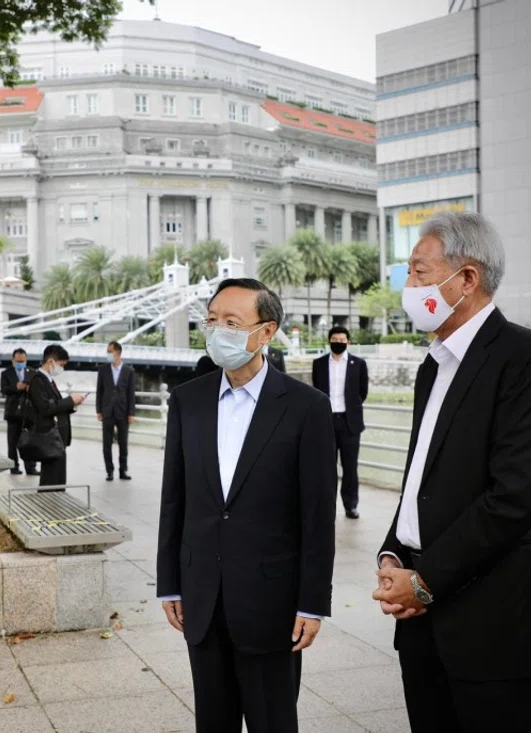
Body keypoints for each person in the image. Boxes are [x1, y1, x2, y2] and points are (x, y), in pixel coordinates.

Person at [372, 212, 531, 733]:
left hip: (492, 620)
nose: (409, 287)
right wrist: (394, 549)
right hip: (419, 618)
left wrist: (426, 579)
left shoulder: (526, 358)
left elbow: (516, 496)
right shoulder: (432, 365)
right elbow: (423, 474)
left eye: (419, 272)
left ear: (467, 278)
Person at [157, 278, 337, 733]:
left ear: (266, 331)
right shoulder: (187, 400)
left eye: (232, 323)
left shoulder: (306, 408)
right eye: (212, 321)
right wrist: (170, 584)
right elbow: (174, 498)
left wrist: (312, 603)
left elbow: (317, 516)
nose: (219, 331)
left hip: (271, 604)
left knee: (272, 721)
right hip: (202, 598)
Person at [311, 327, 369, 518]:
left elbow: (363, 392)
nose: (338, 341)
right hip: (325, 422)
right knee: (326, 468)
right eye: (335, 339)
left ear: (348, 342)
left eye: (342, 339)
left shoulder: (358, 364)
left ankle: (350, 505)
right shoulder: (318, 364)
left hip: (349, 423)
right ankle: (326, 506)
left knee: (350, 467)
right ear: (329, 341)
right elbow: (316, 391)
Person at [28, 344, 85, 488]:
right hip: (49, 439)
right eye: (61, 365)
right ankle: (47, 508)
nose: (62, 368)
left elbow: (57, 406)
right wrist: (69, 400)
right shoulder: (37, 380)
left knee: (59, 478)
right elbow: (45, 408)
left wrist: (72, 405)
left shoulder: (49, 380)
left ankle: (56, 506)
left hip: (58, 439)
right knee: (50, 479)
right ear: (50, 362)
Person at [96, 341, 137, 481]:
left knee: (123, 443)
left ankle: (123, 470)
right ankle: (109, 471)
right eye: (107, 351)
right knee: (106, 443)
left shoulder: (129, 371)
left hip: (123, 411)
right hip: (107, 410)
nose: (108, 354)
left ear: (118, 353)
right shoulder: (103, 370)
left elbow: (131, 393)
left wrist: (131, 413)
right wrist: (99, 410)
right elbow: (99, 391)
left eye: (110, 351)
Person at [0, 348, 39, 476]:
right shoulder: (6, 373)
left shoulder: (33, 372)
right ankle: (13, 467)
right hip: (13, 413)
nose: (20, 363)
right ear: (13, 360)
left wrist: (30, 388)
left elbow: (39, 391)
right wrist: (16, 387)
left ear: (26, 360)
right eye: (18, 361)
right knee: (12, 442)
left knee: (30, 442)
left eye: (22, 361)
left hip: (29, 413)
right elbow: (3, 390)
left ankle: (31, 468)